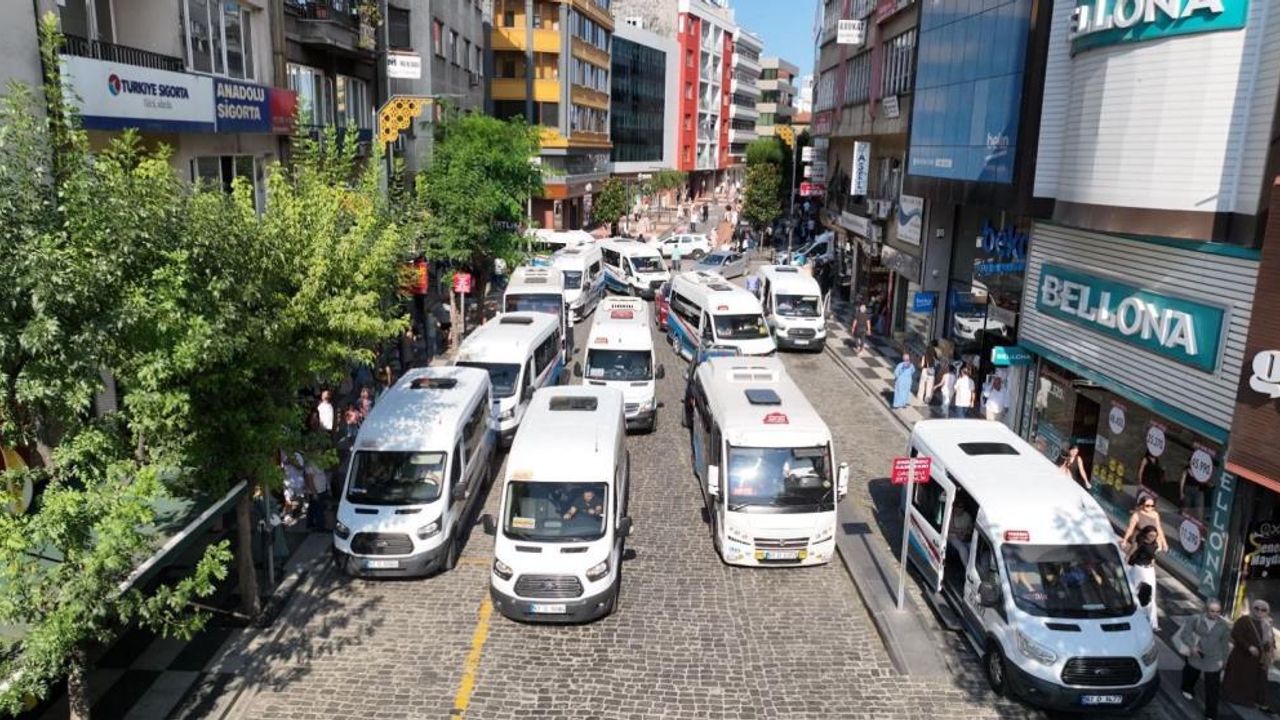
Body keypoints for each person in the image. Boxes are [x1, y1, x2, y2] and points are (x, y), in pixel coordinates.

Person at [1175, 599, 1231, 719]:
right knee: (1191, 673)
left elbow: (1224, 644)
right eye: (1212, 611)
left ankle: (1211, 713)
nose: (1215, 614)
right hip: (1196, 653)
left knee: (1213, 687)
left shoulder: (1223, 625)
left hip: (1214, 657)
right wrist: (1192, 646)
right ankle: (1187, 688)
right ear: (1206, 610)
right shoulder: (1195, 619)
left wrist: (1225, 660)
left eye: (1218, 611)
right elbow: (1185, 634)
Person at [1224, 599, 1276, 712]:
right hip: (1242, 657)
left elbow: (1270, 638)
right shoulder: (1244, 620)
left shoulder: (1267, 623)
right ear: (1252, 609)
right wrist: (1249, 647)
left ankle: (1260, 702)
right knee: (1241, 678)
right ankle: (1237, 699)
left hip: (1260, 659)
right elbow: (1235, 634)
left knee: (1258, 680)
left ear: (1267, 611)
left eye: (1263, 610)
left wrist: (1272, 649)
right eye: (1256, 608)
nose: (1259, 611)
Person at [1126, 525, 1160, 629]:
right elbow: (1129, 554)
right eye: (1151, 535)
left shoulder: (1155, 544)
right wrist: (1126, 562)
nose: (1153, 538)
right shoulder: (1139, 542)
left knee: (1151, 595)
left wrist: (1152, 565)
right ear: (1145, 534)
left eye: (1155, 536)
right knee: (1134, 592)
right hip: (1138, 568)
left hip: (1149, 570)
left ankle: (1153, 623)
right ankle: (1133, 617)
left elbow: (1153, 557)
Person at [304, 458, 330, 532]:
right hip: (316, 491)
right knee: (319, 510)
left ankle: (310, 524)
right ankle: (320, 527)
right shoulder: (310, 464)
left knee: (312, 508)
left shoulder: (319, 462)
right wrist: (314, 493)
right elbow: (309, 480)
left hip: (321, 490)